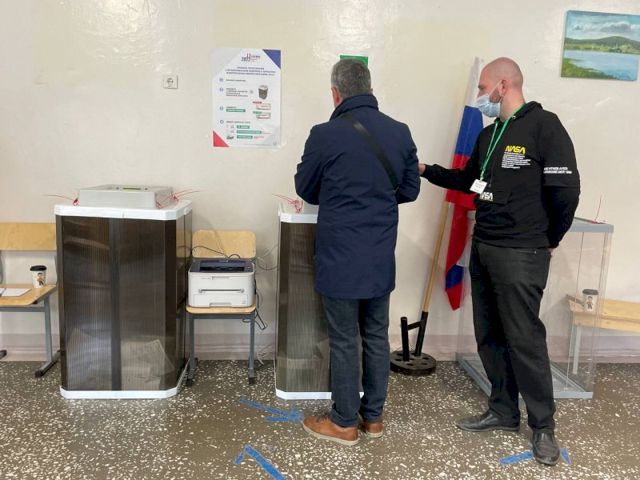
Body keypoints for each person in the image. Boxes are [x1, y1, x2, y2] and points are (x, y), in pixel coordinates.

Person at [419, 57, 579, 465]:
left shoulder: (545, 126)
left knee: (524, 340)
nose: (480, 95)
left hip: (522, 252)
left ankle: (543, 427)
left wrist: (550, 239)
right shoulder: (489, 136)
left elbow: (565, 192)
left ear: (503, 85)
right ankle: (503, 410)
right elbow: (469, 181)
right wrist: (424, 169)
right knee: (488, 334)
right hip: (485, 247)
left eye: (483, 87)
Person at [295, 58, 420, 446]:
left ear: (335, 93)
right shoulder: (400, 132)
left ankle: (344, 422)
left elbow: (305, 189)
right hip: (380, 254)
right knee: (377, 336)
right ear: (370, 88)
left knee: (345, 338)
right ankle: (374, 418)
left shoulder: (324, 134)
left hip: (339, 256)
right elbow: (410, 190)